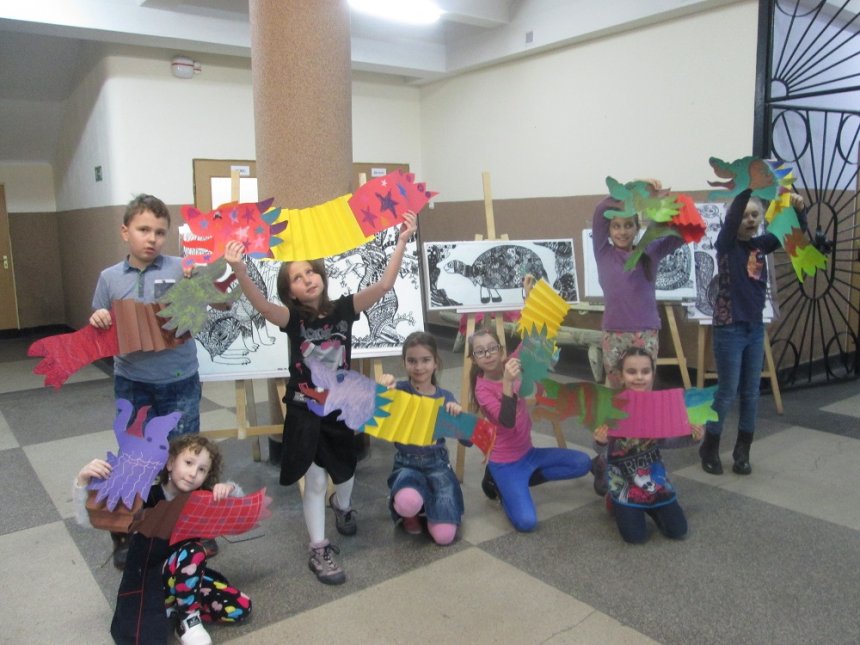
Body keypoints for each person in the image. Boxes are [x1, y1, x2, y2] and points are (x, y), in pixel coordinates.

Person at [223, 212, 418, 585]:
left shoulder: (344, 308)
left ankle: (341, 505)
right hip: (305, 410)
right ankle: (319, 548)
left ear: (322, 276)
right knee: (314, 482)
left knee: (346, 472)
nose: (307, 278)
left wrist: (402, 241)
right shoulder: (292, 319)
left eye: (311, 271)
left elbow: (384, 285)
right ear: (291, 292)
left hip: (341, 407)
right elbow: (262, 306)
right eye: (297, 277)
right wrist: (240, 270)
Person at [90, 193, 204, 569]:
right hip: (133, 382)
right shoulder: (109, 278)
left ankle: (187, 528)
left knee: (185, 457)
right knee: (135, 457)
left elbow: (206, 311)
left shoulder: (183, 268)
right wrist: (99, 318)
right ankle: (130, 531)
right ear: (125, 232)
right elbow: (99, 321)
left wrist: (196, 286)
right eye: (143, 230)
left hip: (180, 380)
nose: (152, 238)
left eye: (159, 232)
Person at [74, 434, 251, 645]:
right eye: (188, 463)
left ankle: (178, 608)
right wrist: (82, 482)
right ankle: (188, 619)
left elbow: (239, 515)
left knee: (241, 606)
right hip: (148, 581)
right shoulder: (144, 496)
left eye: (202, 469)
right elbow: (89, 519)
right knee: (194, 550)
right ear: (170, 463)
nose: (193, 473)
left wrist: (230, 490)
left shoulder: (201, 498)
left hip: (184, 579)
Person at [699, 188, 806, 476]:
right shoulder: (726, 244)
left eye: (755, 215)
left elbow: (792, 232)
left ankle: (742, 451)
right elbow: (733, 218)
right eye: (744, 215)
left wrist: (799, 210)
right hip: (729, 329)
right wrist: (747, 184)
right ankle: (710, 446)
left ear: (761, 219)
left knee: (751, 393)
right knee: (727, 392)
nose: (749, 220)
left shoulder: (760, 245)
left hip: (754, 329)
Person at [590, 180, 685, 495]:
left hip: (645, 331)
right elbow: (601, 210)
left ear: (637, 227)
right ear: (609, 230)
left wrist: (664, 203)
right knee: (616, 394)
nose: (622, 231)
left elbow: (678, 234)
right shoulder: (603, 252)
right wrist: (638, 189)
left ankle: (641, 457)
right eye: (616, 226)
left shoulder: (648, 252)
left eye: (628, 225)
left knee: (642, 394)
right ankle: (606, 458)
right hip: (615, 333)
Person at [469, 327, 591, 532]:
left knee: (583, 463)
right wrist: (508, 382)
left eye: (492, 348)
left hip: (529, 453)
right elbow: (507, 421)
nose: (488, 354)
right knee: (526, 522)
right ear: (474, 359)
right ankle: (499, 484)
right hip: (505, 463)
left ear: (501, 350)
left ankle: (522, 480)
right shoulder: (482, 389)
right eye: (480, 352)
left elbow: (531, 342)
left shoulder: (512, 363)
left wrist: (544, 346)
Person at [594, 348, 703, 544]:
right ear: (621, 376)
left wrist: (694, 437)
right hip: (624, 483)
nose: (639, 377)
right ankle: (613, 498)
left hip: (654, 481)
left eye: (645, 371)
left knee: (678, 530)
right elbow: (599, 449)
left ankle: (651, 507)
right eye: (631, 371)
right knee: (635, 538)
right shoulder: (611, 406)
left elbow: (668, 442)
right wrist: (600, 441)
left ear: (652, 374)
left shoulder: (659, 406)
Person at [379, 331, 465, 545]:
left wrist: (458, 416)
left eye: (425, 360)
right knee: (408, 502)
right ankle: (410, 511)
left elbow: (467, 440)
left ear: (436, 362)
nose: (419, 367)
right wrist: (381, 391)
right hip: (406, 463)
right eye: (412, 361)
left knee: (444, 537)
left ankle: (430, 506)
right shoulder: (399, 390)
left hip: (438, 465)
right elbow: (373, 417)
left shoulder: (445, 397)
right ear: (404, 363)